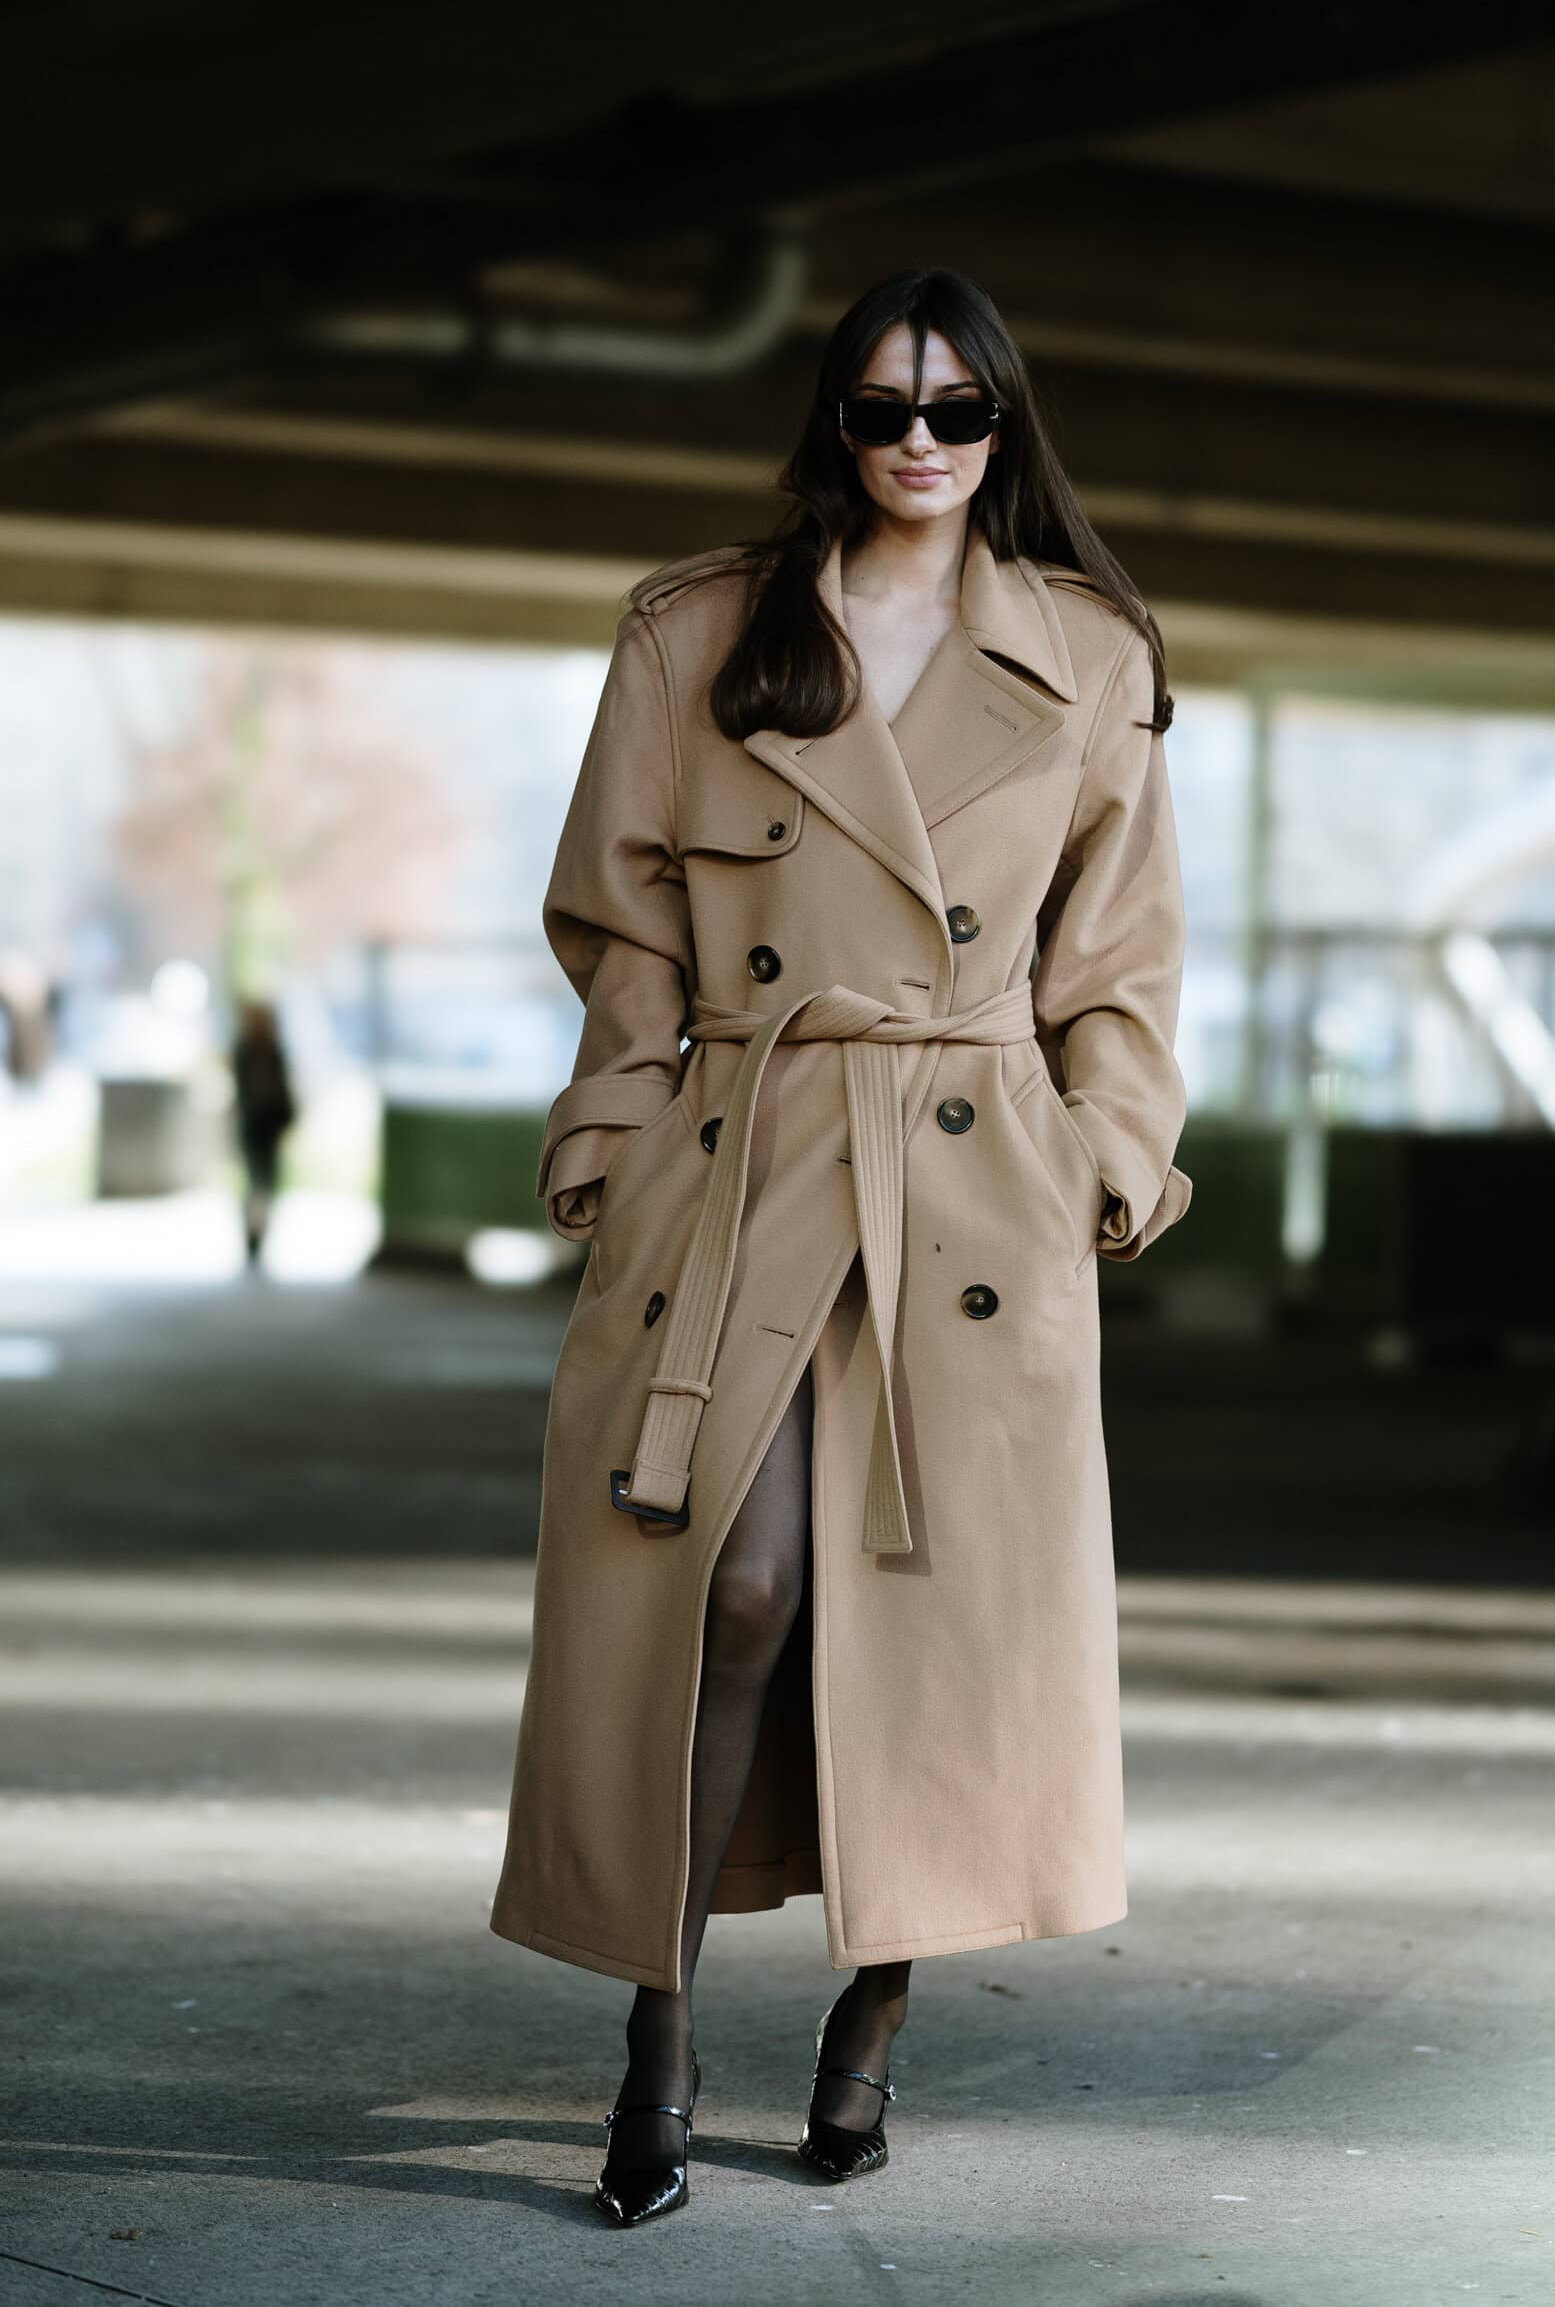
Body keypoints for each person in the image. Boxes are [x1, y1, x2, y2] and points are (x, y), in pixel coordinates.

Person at [491, 266, 1194, 2225]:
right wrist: (610, 1134)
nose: (916, 443)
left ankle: (870, 2015)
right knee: (731, 1578)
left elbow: (1116, 953)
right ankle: (656, 2017)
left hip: (972, 1186)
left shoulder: (1083, 649)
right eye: (882, 408)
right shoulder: (696, 631)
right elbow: (621, 918)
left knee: (927, 1613)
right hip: (741, 1151)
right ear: (828, 418)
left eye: (957, 412)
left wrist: (1102, 1154)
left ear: (1001, 429)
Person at [229, 997, 296, 1265]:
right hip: (260, 1125)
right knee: (261, 1180)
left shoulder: (256, 1050)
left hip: (260, 1124)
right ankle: (255, 1233)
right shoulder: (259, 1050)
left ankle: (256, 1233)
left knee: (260, 1180)